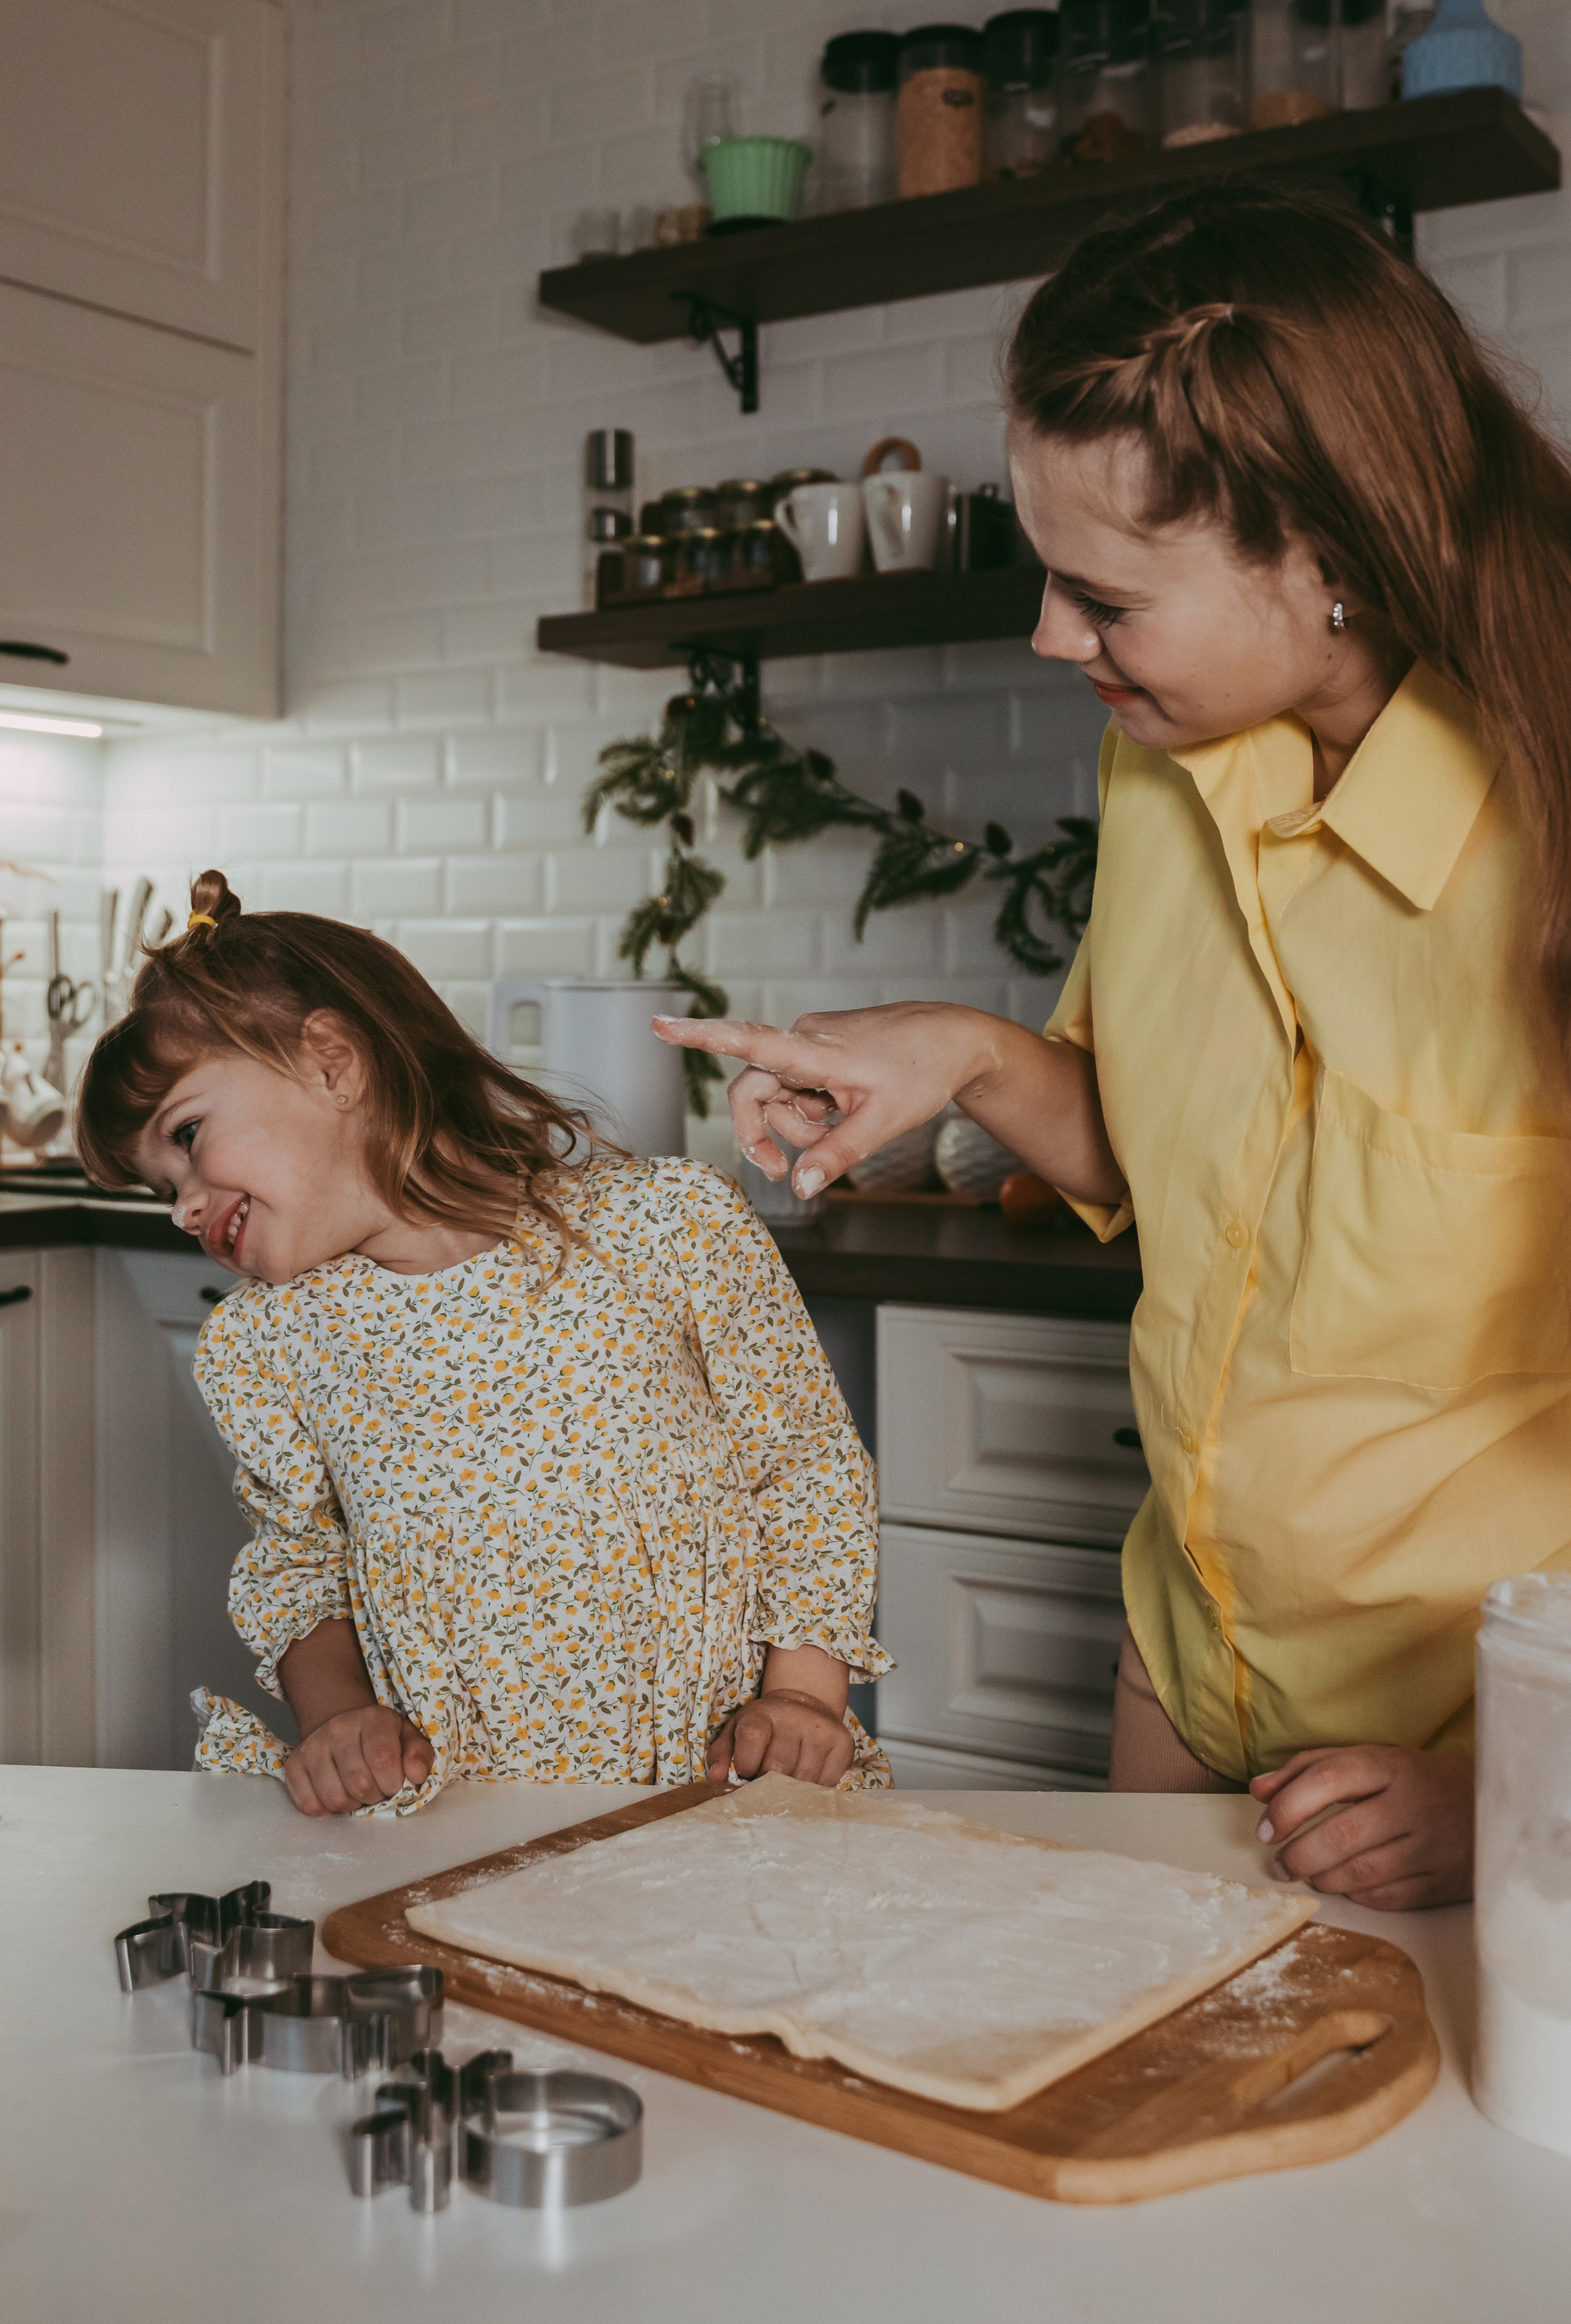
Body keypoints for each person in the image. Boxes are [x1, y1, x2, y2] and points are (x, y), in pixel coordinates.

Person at [658, 184, 1571, 1912]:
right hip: (1190, 1659)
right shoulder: (1160, 763)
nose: (1051, 640)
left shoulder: (1553, 829)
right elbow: (1167, 1156)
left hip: (1482, 1740)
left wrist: (1517, 1778)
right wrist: (969, 1057)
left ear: (1334, 569)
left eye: (1107, 599)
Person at [75, 872, 890, 1816]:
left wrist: (799, 1697)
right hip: (454, 1816)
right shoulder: (264, 1344)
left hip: (719, 1790)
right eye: (158, 1187)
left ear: (334, 1063)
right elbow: (299, 1570)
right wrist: (340, 1721)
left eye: (187, 1136)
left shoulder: (668, 1227)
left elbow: (806, 1472)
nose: (181, 1205)